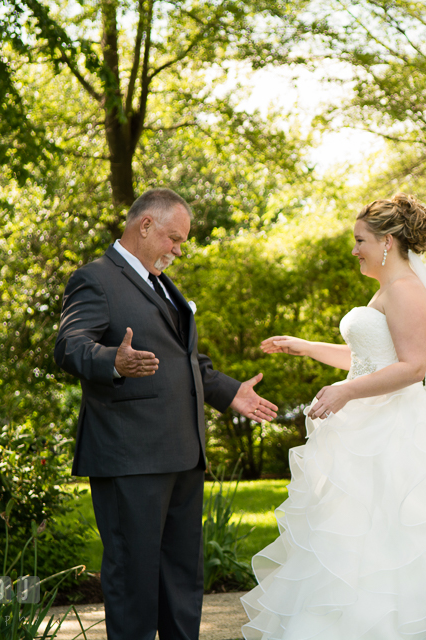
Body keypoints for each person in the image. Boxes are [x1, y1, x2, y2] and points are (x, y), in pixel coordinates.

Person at [240, 193, 426, 640]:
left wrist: (346, 391)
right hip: (367, 426)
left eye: (360, 240)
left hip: (393, 432)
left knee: (388, 536)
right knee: (352, 537)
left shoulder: (406, 291)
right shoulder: (389, 289)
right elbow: (369, 356)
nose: (354, 250)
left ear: (387, 241)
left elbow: (411, 368)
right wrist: (306, 346)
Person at [54, 187, 278, 640]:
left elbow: (183, 359)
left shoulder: (161, 285)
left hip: (182, 454)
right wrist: (113, 361)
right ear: (146, 225)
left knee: (181, 580)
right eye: (174, 239)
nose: (179, 250)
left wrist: (230, 392)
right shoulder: (95, 279)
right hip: (129, 456)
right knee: (133, 581)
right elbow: (70, 345)